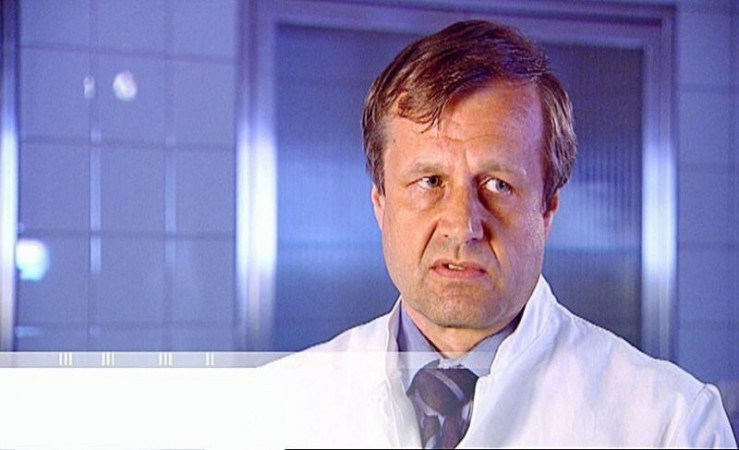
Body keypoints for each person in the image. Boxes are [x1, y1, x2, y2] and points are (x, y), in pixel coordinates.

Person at [250, 19, 737, 448]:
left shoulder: (670, 424)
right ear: (380, 201)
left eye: (498, 185)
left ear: (548, 208)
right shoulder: (275, 410)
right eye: (430, 181)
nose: (462, 226)